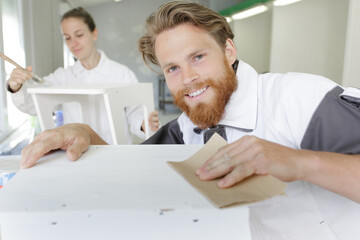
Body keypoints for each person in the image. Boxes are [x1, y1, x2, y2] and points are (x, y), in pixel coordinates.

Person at [20, 1, 360, 239]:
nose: (188, 79)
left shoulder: (298, 98)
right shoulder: (186, 128)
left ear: (229, 51)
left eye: (198, 57)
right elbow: (134, 170)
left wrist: (300, 162)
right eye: (173, 68)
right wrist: (83, 133)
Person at [6, 7, 159, 144]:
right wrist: (16, 87)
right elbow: (34, 104)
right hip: (78, 155)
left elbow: (135, 114)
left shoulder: (122, 74)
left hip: (115, 156)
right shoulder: (63, 77)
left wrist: (144, 123)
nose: (73, 43)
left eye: (79, 35)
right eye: (67, 38)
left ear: (94, 33)